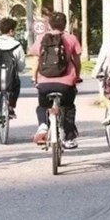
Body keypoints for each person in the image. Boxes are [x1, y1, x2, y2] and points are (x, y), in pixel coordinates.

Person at [31, 11, 82, 149]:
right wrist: (77, 76)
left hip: (44, 83)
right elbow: (77, 62)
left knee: (43, 106)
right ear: (65, 24)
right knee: (69, 106)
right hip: (66, 84)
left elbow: (35, 62)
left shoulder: (41, 39)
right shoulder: (71, 39)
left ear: (49, 24)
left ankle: (43, 126)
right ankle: (69, 137)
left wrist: (34, 78)